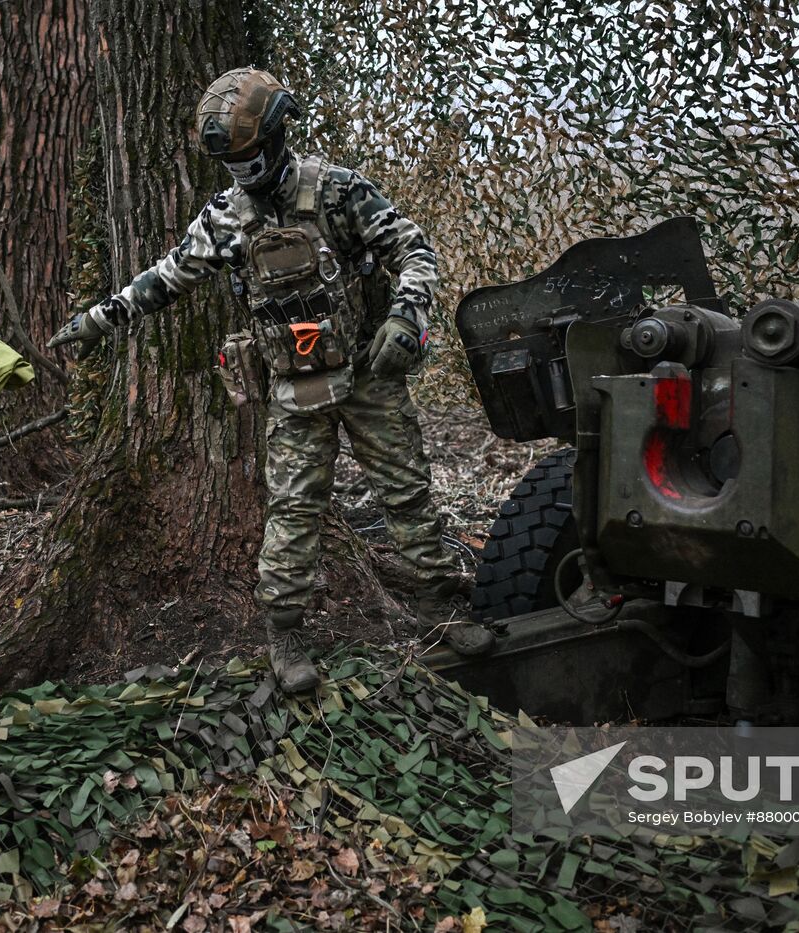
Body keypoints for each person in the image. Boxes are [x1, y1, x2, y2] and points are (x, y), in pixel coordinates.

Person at [48, 67, 496, 693]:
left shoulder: (337, 191)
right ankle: (285, 633)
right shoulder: (228, 219)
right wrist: (101, 317)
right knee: (293, 510)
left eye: (252, 155)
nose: (245, 171)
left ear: (279, 136)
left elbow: (414, 250)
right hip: (296, 388)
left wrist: (406, 312)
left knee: (408, 493)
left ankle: (442, 607)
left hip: (369, 370)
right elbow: (169, 276)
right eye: (233, 162)